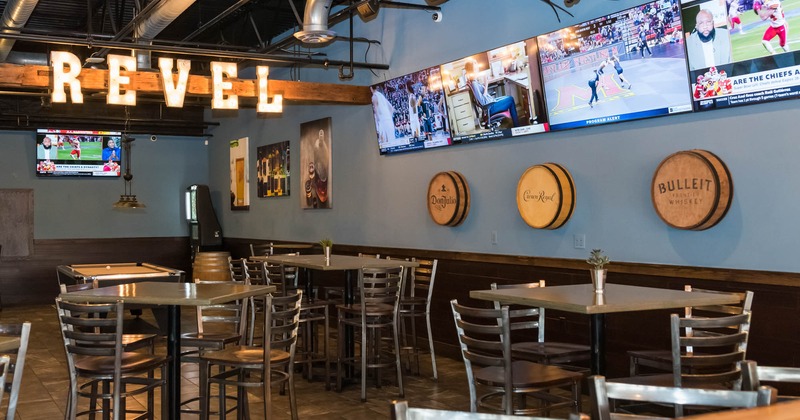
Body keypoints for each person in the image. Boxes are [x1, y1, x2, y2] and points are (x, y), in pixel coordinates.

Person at [464, 60, 520, 127]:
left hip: (491, 102)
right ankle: (517, 126)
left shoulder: (475, 81)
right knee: (510, 99)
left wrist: (485, 84)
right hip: (490, 107)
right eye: (475, 69)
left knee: (508, 97)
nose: (478, 70)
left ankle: (515, 123)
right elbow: (483, 102)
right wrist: (486, 84)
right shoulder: (474, 83)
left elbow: (483, 96)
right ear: (471, 71)